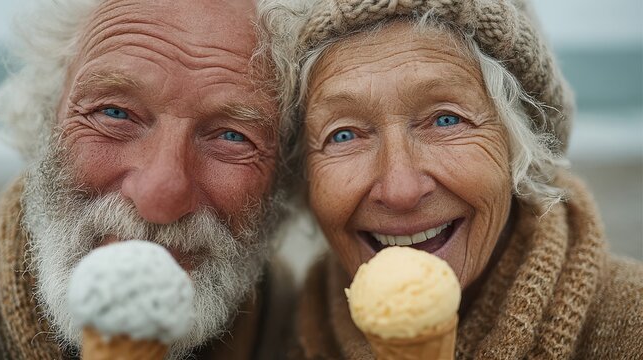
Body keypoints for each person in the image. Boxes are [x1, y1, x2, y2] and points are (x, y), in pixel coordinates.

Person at [265, 0, 643, 358]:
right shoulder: (271, 340)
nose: (401, 190)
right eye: (344, 134)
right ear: (304, 179)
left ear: (519, 146)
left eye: (446, 119)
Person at [0, 0, 294, 359]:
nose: (158, 198)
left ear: (284, 178)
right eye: (114, 113)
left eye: (232, 136)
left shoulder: (293, 323)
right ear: (44, 115)